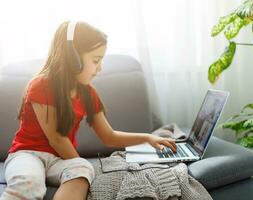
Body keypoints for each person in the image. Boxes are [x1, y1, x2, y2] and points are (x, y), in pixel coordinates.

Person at [0, 21, 176, 200]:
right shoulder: (41, 85)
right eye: (96, 60)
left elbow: (109, 136)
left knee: (83, 170)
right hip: (28, 155)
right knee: (29, 181)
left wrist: (147, 138)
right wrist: (77, 161)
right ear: (73, 58)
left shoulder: (88, 93)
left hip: (58, 161)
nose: (100, 68)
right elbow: (56, 139)